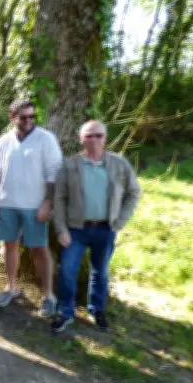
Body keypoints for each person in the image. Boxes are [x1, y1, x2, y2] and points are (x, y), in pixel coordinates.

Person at [50, 120, 141, 333]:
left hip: (105, 228)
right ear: (81, 139)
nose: (93, 140)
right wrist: (61, 229)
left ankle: (96, 309)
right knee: (67, 271)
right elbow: (59, 199)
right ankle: (65, 312)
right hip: (75, 229)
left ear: (105, 138)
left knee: (100, 272)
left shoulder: (119, 164)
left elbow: (133, 193)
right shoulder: (70, 165)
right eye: (89, 136)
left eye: (98, 135)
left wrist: (120, 221)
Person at [0, 99, 63, 317]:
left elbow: (54, 173)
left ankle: (48, 296)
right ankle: (11, 288)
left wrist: (48, 203)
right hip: (7, 203)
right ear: (12, 117)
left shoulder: (46, 139)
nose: (29, 121)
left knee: (39, 250)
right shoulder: (4, 141)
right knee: (9, 246)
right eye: (23, 117)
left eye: (32, 116)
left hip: (35, 206)